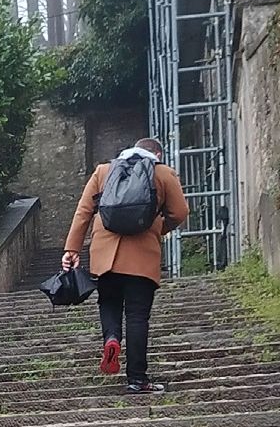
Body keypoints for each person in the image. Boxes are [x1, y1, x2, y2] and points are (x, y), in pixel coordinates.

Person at [62, 138, 190, 393]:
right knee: (137, 316)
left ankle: (111, 338)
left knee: (109, 302)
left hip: (105, 256)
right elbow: (180, 212)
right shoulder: (163, 173)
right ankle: (137, 379)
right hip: (142, 257)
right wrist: (157, 228)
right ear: (157, 154)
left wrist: (72, 249)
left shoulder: (103, 171)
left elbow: (83, 211)